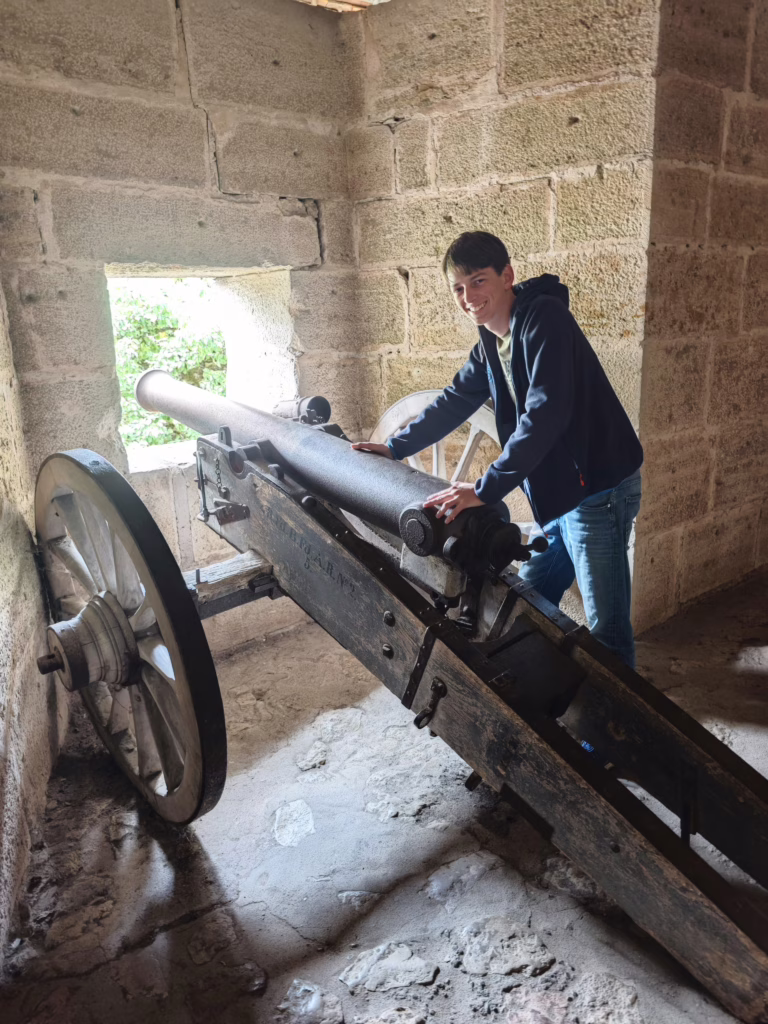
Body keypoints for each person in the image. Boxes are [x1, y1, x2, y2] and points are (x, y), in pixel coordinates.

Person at [352, 230, 643, 668]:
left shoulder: (545, 319)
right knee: (527, 599)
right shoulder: (491, 340)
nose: (468, 296)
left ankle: (618, 732)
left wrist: (485, 490)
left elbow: (545, 415)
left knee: (607, 632)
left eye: (478, 281)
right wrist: (395, 447)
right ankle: (539, 695)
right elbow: (455, 400)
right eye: (458, 287)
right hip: (562, 494)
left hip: (599, 491)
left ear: (507, 276)